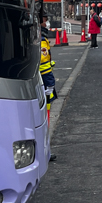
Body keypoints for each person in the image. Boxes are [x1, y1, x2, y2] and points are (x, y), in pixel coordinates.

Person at [39, 20, 57, 162]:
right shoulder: (42, 41)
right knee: (45, 120)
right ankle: (45, 152)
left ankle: (45, 151)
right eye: (45, 21)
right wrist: (50, 84)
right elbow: (44, 64)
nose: (47, 23)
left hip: (39, 84)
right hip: (44, 85)